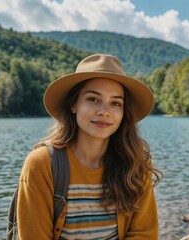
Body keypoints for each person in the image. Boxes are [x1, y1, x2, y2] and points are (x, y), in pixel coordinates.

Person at [16, 54, 162, 240]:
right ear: (74, 104)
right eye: (93, 99)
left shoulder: (135, 162)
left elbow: (144, 234)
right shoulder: (42, 164)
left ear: (124, 112)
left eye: (115, 103)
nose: (104, 112)